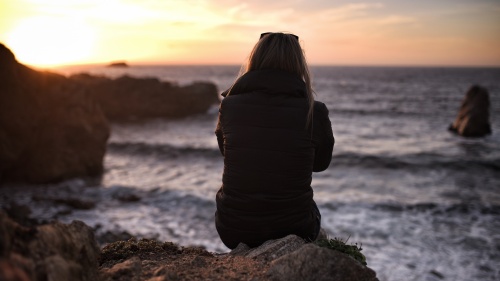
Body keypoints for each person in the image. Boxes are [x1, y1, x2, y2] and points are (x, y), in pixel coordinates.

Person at [214, 32, 334, 249]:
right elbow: (320, 165)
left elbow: (228, 152)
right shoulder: (314, 111)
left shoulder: (230, 105)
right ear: (299, 64)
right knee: (310, 207)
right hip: (295, 228)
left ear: (255, 59)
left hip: (232, 228)